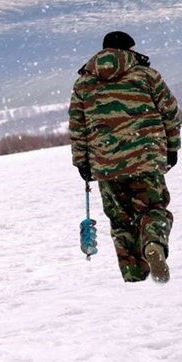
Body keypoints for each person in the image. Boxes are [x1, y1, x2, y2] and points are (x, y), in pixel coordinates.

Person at [69, 31, 180, 284]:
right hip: (146, 157)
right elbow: (171, 115)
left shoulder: (83, 84)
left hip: (105, 163)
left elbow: (78, 128)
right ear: (130, 48)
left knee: (121, 220)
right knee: (152, 208)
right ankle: (153, 243)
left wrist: (82, 163)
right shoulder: (146, 75)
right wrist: (172, 149)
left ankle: (133, 277)